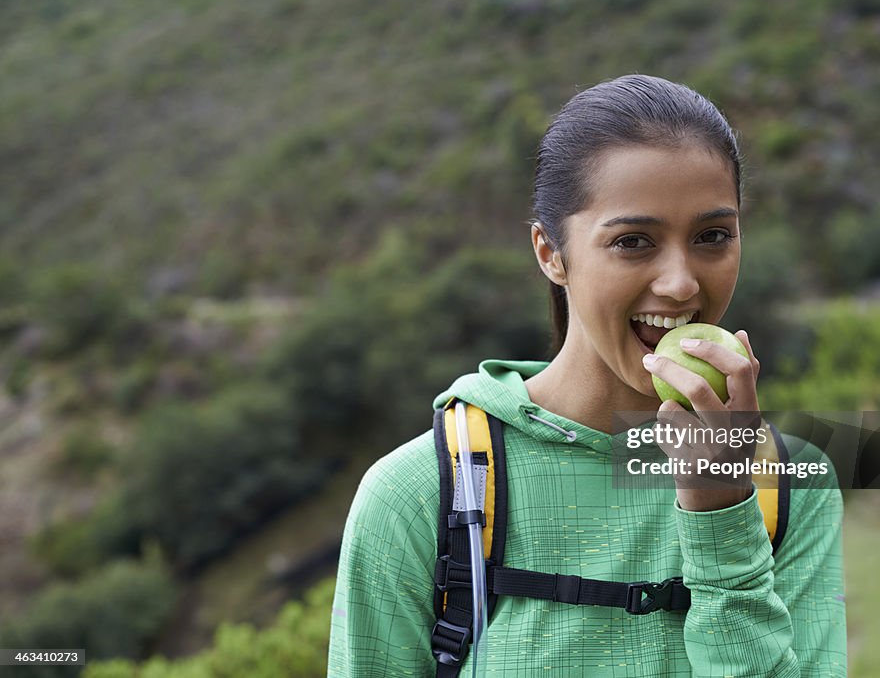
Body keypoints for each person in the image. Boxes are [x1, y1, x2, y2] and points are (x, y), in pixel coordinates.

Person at [327, 74, 846, 676]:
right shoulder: (416, 494)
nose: (680, 283)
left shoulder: (787, 487)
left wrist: (721, 516)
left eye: (712, 236)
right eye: (633, 242)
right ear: (551, 252)